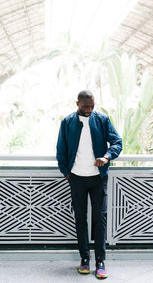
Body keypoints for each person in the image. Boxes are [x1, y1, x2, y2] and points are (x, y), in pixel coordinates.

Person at [56, 90, 122, 279]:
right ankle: (84, 259)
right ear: (77, 103)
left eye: (92, 106)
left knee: (100, 220)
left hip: (98, 178)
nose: (89, 110)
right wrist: (66, 173)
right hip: (76, 178)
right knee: (80, 219)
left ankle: (100, 261)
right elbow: (61, 150)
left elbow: (117, 142)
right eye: (86, 106)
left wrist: (107, 156)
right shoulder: (67, 122)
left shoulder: (102, 119)